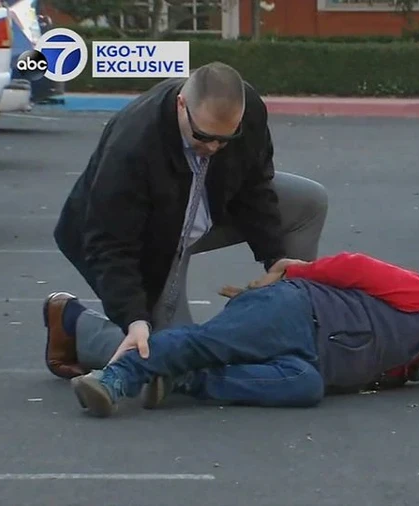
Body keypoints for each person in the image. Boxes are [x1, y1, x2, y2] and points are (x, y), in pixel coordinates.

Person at [44, 62, 329, 380]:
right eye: (203, 136)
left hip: (200, 209)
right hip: (137, 240)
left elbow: (255, 186)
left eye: (225, 139)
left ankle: (292, 320)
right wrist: (134, 317)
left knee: (309, 201)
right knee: (175, 358)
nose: (213, 147)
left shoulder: (247, 114)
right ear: (182, 104)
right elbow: (111, 244)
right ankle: (74, 323)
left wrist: (274, 256)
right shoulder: (133, 144)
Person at [62, 251, 419, 417]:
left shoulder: (402, 371)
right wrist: (288, 274)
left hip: (304, 362)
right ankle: (115, 379)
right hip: (295, 309)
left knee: (306, 389)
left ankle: (182, 381)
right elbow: (354, 267)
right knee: (204, 342)